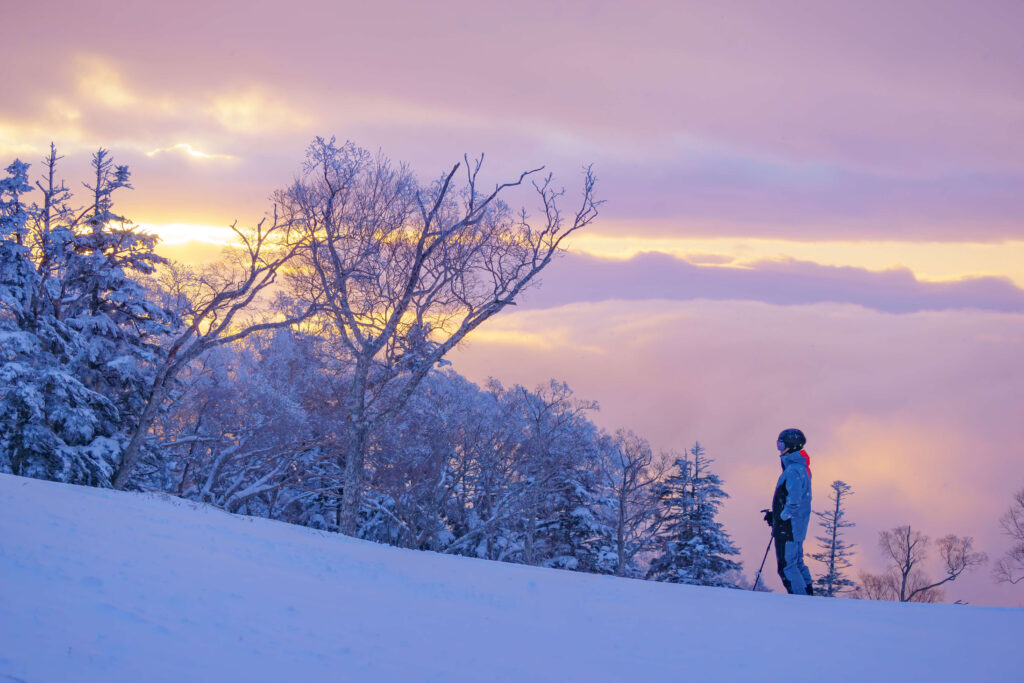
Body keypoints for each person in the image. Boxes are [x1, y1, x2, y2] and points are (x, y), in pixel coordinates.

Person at [762, 428, 813, 595]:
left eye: (781, 444)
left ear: (792, 445)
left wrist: (781, 518)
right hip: (796, 525)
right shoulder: (800, 468)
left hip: (789, 527)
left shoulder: (793, 470)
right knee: (797, 563)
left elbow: (794, 502)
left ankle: (800, 601)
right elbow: (795, 499)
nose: (779, 448)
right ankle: (810, 598)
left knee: (787, 567)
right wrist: (776, 515)